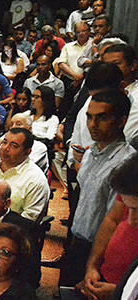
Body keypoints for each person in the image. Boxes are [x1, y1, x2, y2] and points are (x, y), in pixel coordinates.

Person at [62, 90, 136, 286]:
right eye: (89, 117)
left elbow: (115, 221)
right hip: (77, 241)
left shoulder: (126, 164)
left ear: (121, 121)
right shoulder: (90, 152)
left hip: (98, 252)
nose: (92, 125)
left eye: (101, 118)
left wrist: (94, 264)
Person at [74, 154, 138, 299]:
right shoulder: (132, 180)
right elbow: (112, 220)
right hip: (104, 277)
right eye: (130, 209)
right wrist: (92, 267)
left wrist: (122, 292)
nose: (131, 221)